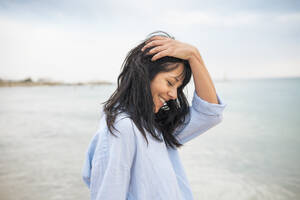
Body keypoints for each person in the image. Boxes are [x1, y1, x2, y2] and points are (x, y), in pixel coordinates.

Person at [82, 31, 226, 200]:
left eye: (178, 88)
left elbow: (210, 113)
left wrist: (194, 55)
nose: (174, 94)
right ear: (145, 75)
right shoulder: (123, 127)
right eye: (170, 82)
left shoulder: (154, 125)